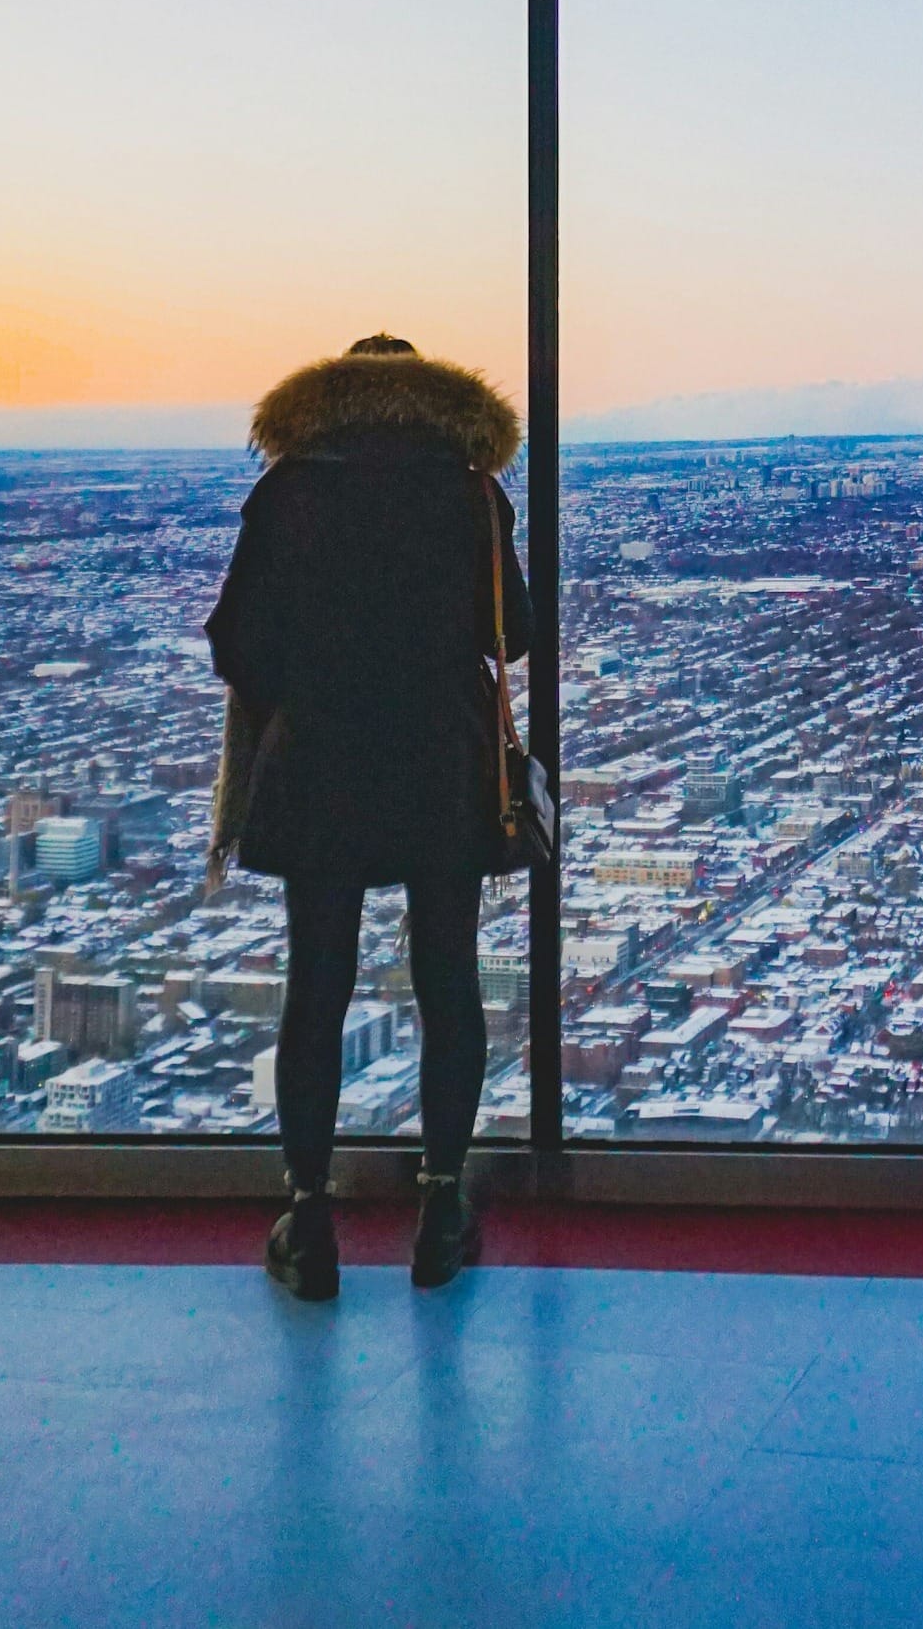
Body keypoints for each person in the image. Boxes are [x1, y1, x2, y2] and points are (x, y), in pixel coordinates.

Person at [205, 335, 534, 1300]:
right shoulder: (469, 490)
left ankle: (309, 1223)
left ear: (329, 401)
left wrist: (304, 690)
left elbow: (236, 638)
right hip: (440, 760)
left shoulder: (290, 488)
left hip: (323, 762)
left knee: (319, 989)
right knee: (448, 980)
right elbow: (508, 630)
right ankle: (441, 1212)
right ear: (435, 404)